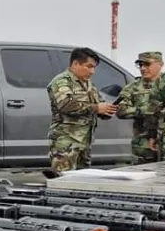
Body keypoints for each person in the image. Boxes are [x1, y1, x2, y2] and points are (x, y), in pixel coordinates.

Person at [45, 47, 117, 175]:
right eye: (89, 66)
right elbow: (66, 105)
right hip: (66, 142)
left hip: (84, 143)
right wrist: (97, 108)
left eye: (94, 67)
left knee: (83, 179)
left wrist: (108, 110)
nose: (92, 71)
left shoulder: (89, 85)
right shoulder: (62, 81)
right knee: (64, 179)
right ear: (75, 64)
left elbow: (97, 105)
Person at [114, 51, 164, 164]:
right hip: (142, 143)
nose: (143, 68)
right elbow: (120, 110)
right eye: (140, 65)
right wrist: (144, 110)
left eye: (147, 64)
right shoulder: (133, 87)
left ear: (160, 64)